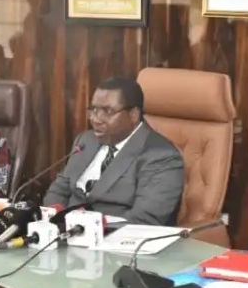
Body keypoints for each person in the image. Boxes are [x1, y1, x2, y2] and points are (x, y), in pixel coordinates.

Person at [43, 77, 184, 226]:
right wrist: (53, 220)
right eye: (94, 109)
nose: (96, 119)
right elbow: (59, 191)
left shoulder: (162, 157)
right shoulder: (86, 141)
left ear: (133, 115)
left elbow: (144, 221)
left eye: (107, 111)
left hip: (116, 236)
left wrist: (85, 227)